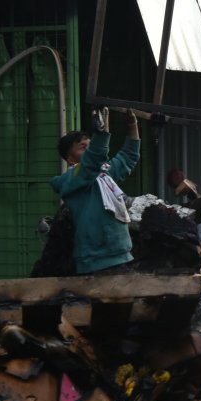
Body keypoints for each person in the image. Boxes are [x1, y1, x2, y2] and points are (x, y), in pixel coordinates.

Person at [50, 107, 141, 275]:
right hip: (95, 262)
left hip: (121, 256)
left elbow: (129, 156)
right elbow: (91, 162)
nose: (90, 149)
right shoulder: (72, 179)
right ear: (70, 159)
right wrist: (102, 134)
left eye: (90, 145)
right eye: (83, 147)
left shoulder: (104, 172)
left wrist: (132, 124)